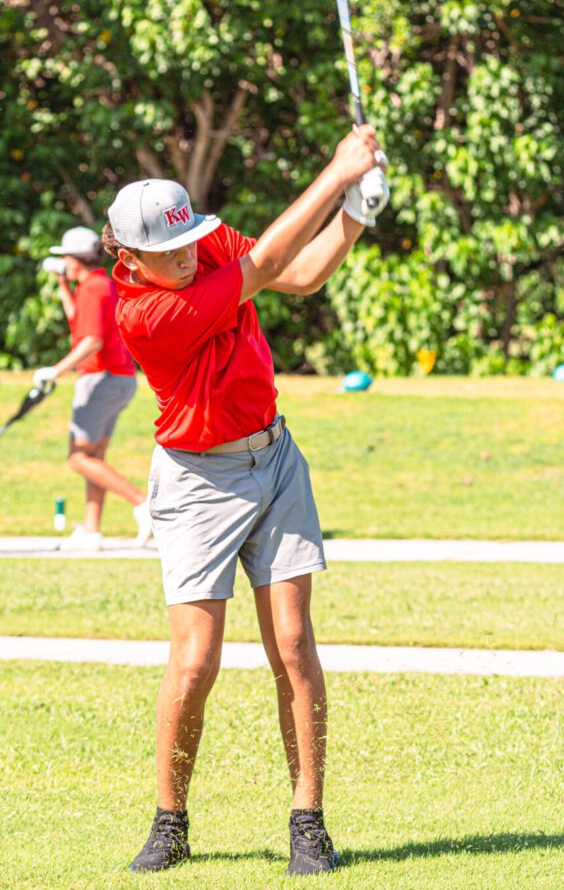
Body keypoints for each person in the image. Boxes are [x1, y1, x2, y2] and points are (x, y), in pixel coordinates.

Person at [101, 125, 389, 876]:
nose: (188, 253)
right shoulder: (144, 314)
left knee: (292, 643)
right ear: (129, 259)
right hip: (198, 480)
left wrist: (356, 212)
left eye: (191, 239)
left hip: (274, 458)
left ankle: (308, 819)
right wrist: (335, 172)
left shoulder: (203, 241)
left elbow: (297, 274)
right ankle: (169, 819)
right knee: (195, 660)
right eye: (168, 254)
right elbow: (262, 266)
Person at [34, 225, 153, 550]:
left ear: (75, 261)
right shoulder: (102, 284)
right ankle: (91, 531)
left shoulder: (91, 289)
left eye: (65, 260)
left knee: (77, 458)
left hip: (99, 379)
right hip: (120, 379)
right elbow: (78, 320)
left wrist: (55, 371)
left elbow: (91, 340)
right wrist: (62, 284)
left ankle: (142, 504)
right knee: (95, 458)